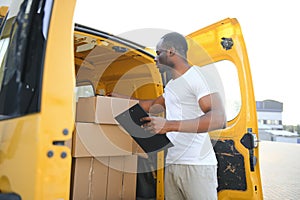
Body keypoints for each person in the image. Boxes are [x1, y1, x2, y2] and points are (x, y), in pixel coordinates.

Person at [112, 32, 226, 199]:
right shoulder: (172, 86)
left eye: (158, 53)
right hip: (173, 163)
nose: (155, 59)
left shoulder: (198, 77)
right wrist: (118, 99)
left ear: (171, 51)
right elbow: (151, 106)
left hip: (196, 165)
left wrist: (168, 125)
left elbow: (219, 119)